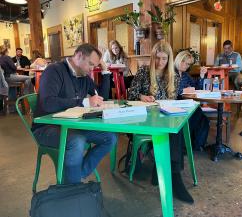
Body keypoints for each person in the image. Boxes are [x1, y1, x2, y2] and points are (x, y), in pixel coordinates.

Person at [32, 43, 118, 184]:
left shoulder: (83, 77)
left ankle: (75, 179)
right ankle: (73, 187)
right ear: (79, 56)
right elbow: (48, 103)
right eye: (90, 64)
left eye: (94, 66)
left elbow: (102, 98)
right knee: (76, 141)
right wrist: (83, 102)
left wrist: (105, 71)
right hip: (46, 127)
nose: (92, 69)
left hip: (71, 125)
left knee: (110, 138)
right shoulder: (54, 71)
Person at [128, 41, 194, 204]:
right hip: (145, 119)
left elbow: (171, 100)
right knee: (173, 132)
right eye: (157, 58)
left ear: (169, 59)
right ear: (152, 58)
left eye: (164, 59)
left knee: (175, 128)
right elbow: (131, 95)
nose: (160, 62)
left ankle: (168, 173)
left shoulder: (173, 76)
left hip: (163, 116)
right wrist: (142, 97)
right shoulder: (144, 71)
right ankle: (175, 178)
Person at [174, 50, 210, 150]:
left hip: (187, 102)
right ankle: (186, 144)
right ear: (178, 60)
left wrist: (202, 75)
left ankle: (197, 145)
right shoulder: (171, 72)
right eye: (184, 62)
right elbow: (167, 91)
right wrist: (182, 90)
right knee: (197, 114)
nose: (185, 66)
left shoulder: (185, 75)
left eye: (188, 64)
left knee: (203, 119)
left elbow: (196, 87)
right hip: (175, 103)